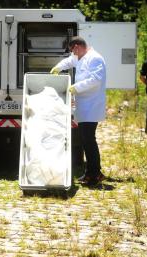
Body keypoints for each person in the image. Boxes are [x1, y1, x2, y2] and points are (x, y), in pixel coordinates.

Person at [50, 36, 106, 186]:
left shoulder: (95, 58)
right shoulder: (81, 57)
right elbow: (69, 61)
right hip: (84, 107)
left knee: (89, 140)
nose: (73, 55)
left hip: (91, 106)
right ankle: (91, 173)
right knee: (86, 141)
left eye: (73, 51)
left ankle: (95, 174)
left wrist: (76, 87)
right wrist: (58, 67)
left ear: (77, 47)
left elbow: (96, 79)